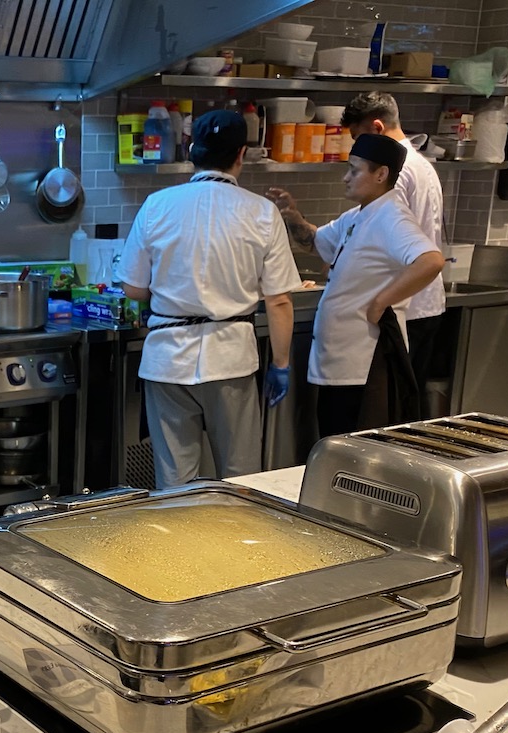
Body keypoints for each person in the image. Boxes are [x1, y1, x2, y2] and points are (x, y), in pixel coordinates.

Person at [116, 109, 300, 487]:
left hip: (166, 361)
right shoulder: (262, 212)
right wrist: (280, 365)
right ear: (242, 154)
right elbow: (278, 301)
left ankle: (179, 546)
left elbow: (133, 289)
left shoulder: (157, 205)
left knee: (174, 481)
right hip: (230, 360)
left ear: (190, 150)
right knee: (239, 478)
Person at [267, 92, 447, 396]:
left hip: (376, 346)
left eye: (353, 169)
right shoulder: (362, 212)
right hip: (355, 353)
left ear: (380, 174)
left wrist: (380, 302)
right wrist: (293, 217)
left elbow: (429, 259)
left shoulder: (391, 205)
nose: (346, 178)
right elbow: (319, 242)